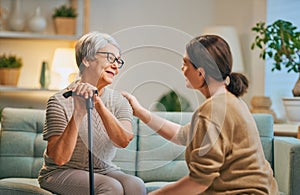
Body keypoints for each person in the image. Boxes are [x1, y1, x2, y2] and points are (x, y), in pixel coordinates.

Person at [122, 35, 279, 195]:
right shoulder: (229, 102)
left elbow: (199, 182)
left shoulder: (213, 110)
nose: (182, 69)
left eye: (185, 63)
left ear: (200, 73)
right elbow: (182, 135)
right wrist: (140, 111)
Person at [38, 31, 146, 195]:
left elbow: (123, 140)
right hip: (60, 172)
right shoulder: (59, 101)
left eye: (118, 61)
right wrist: (78, 113)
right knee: (111, 187)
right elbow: (59, 158)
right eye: (110, 58)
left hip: (104, 170)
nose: (116, 65)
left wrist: (98, 104)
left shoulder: (119, 101)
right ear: (86, 59)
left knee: (136, 185)